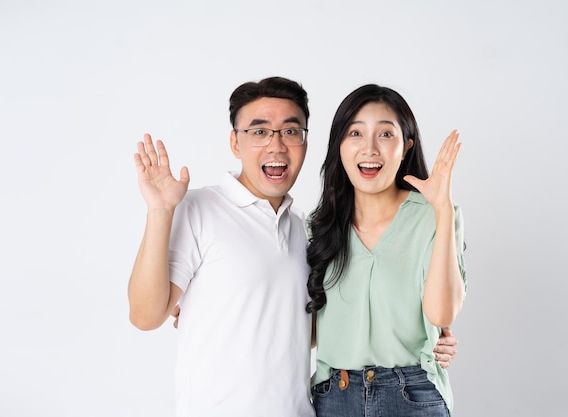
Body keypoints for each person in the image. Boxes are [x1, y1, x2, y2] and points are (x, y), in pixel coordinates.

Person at [128, 77, 459, 417]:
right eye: (259, 132)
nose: (276, 145)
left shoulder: (308, 229)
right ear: (234, 142)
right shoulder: (199, 208)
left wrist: (429, 336)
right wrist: (160, 210)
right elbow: (144, 315)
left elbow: (309, 329)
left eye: (290, 132)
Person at [306, 84, 467, 416]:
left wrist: (444, 210)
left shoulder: (433, 216)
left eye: (385, 134)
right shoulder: (316, 227)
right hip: (334, 396)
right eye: (355, 133)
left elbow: (441, 315)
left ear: (406, 146)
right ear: (339, 144)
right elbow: (301, 330)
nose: (370, 148)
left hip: (412, 394)